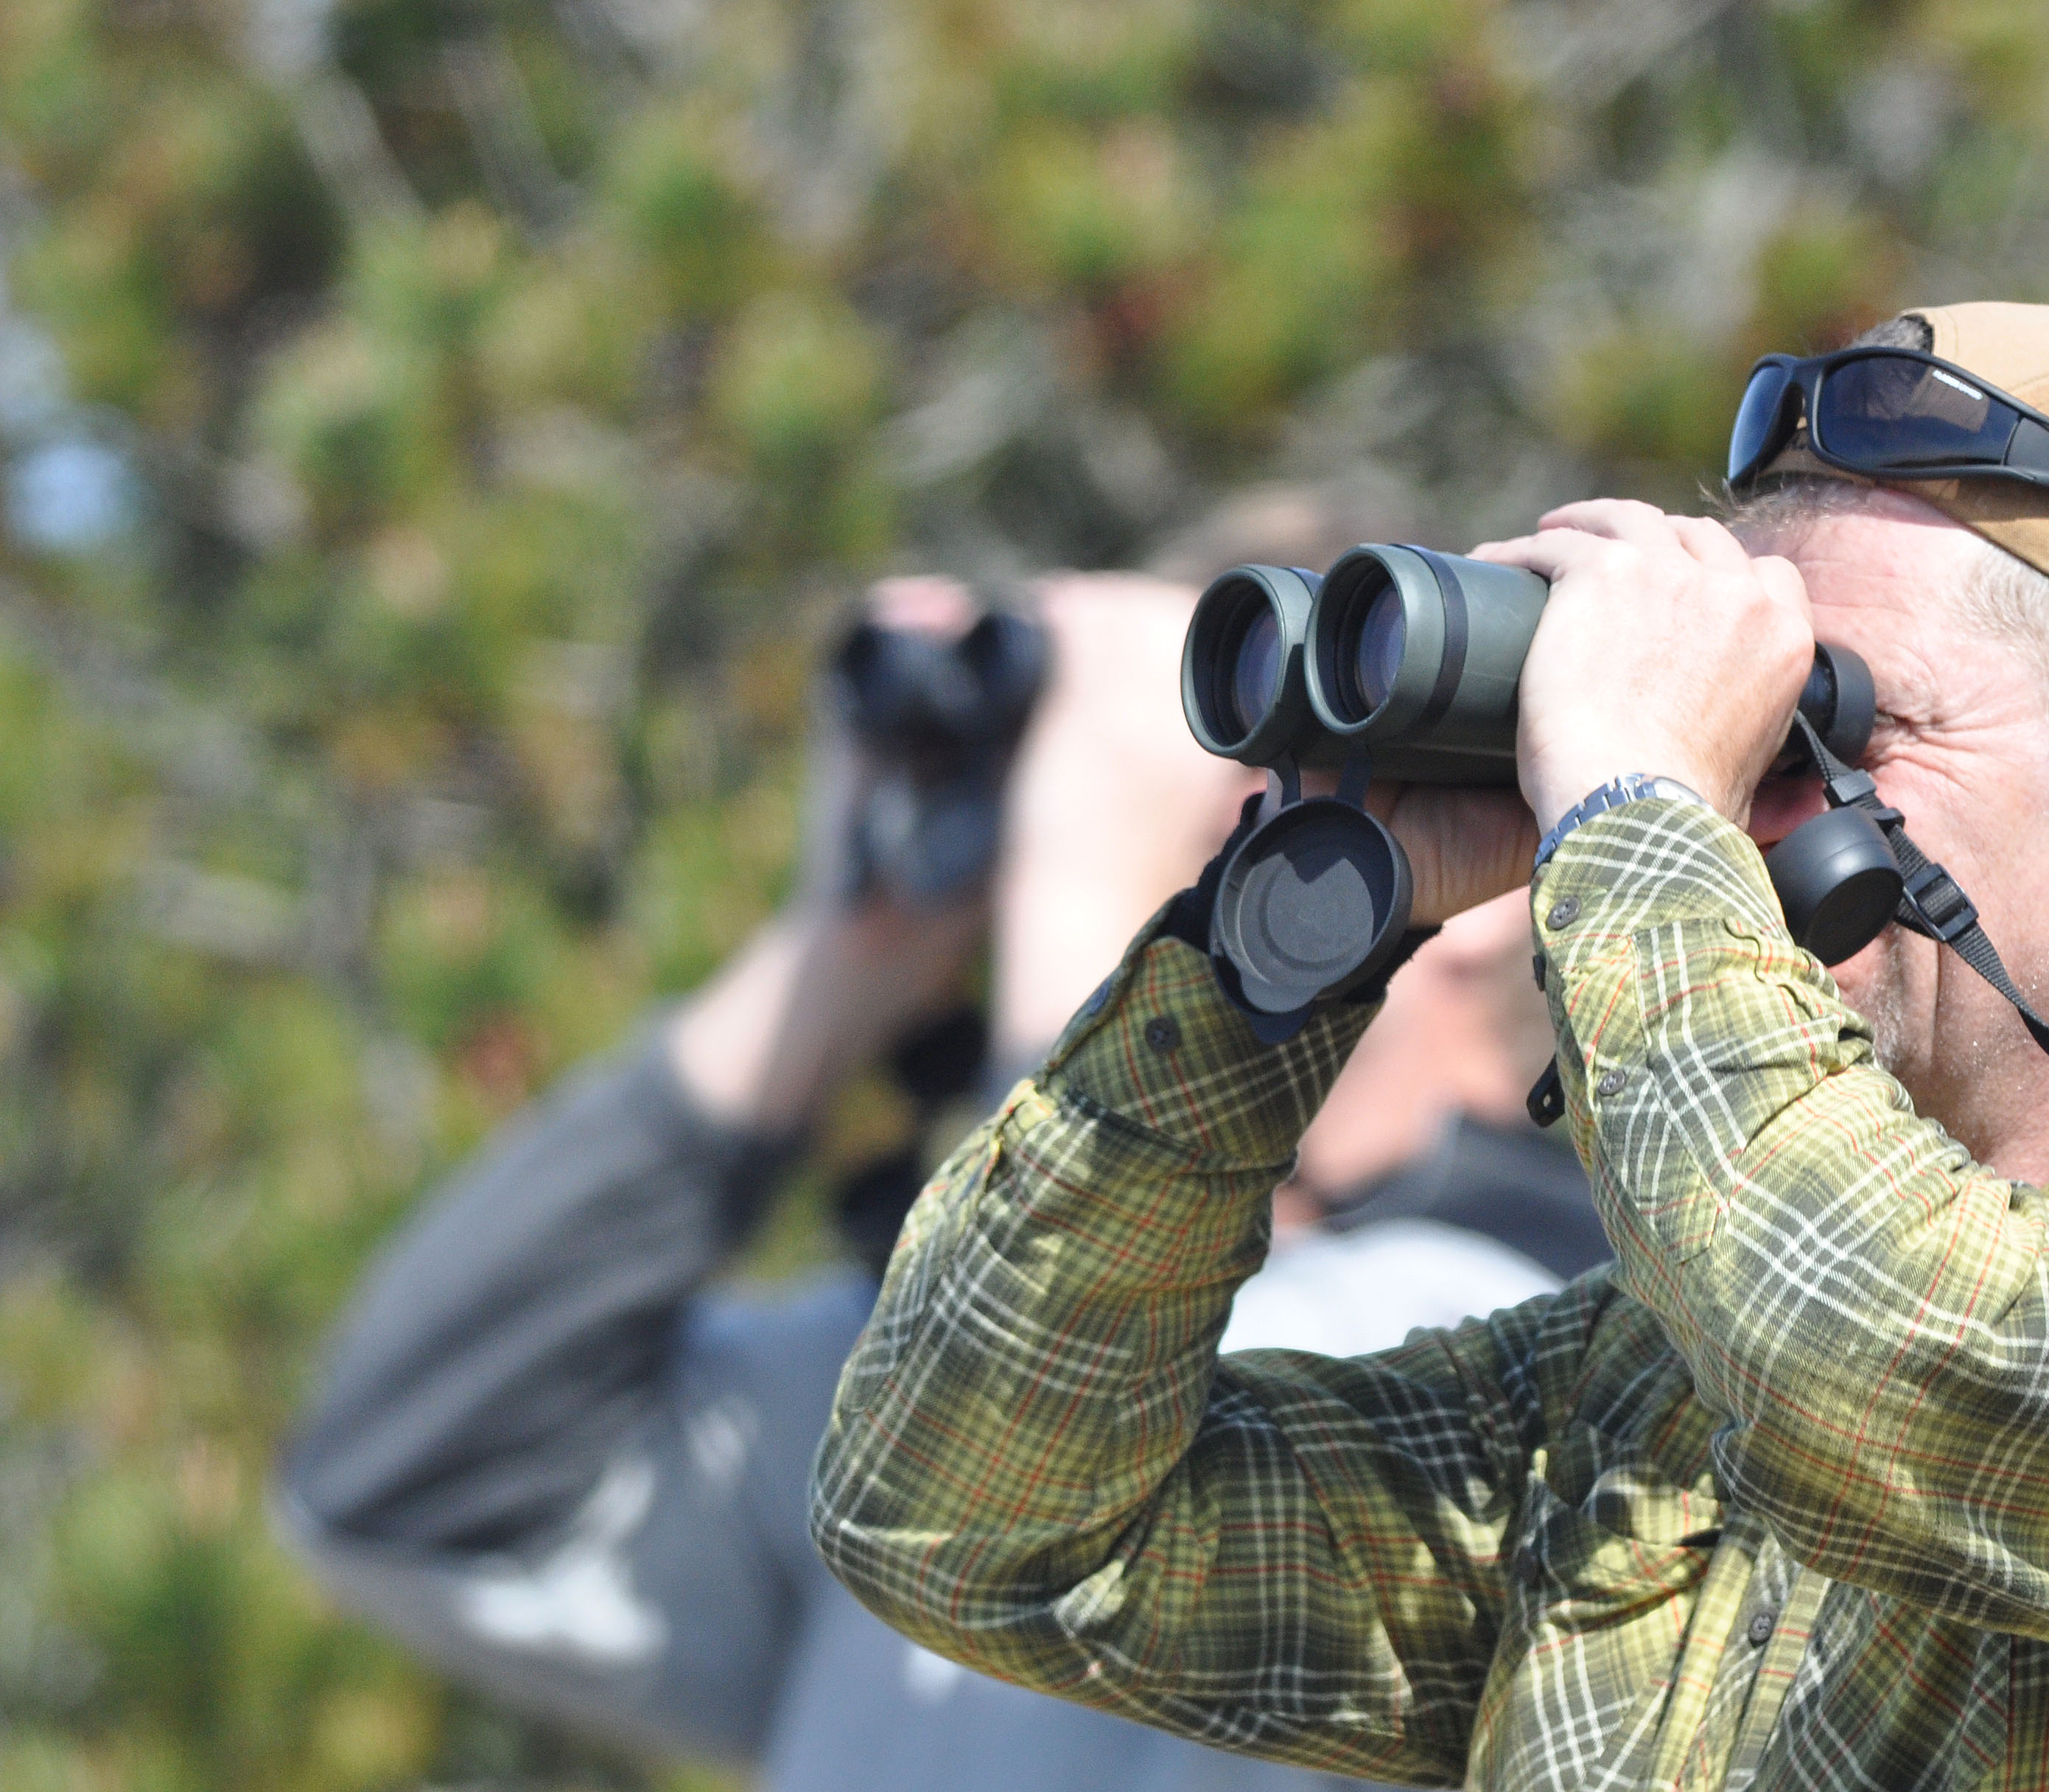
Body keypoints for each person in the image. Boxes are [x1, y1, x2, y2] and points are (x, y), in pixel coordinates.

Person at [811, 304, 2049, 1791]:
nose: (1747, 799)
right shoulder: (1632, 1401)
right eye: (1744, 723)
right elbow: (974, 1520)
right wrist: (1284, 945)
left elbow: (1888, 1338)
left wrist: (1632, 786)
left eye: (1835, 721)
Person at [275, 555, 1603, 1790]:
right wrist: (851, 944)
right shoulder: (926, 1376)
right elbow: (410, 1483)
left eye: (1239, 781)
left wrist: (1094, 909)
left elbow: (1033, 1433)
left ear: (1470, 876)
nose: (1058, 832)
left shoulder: (1519, 1361)